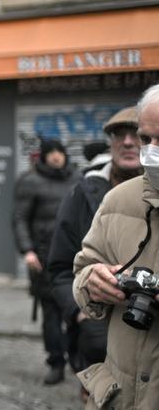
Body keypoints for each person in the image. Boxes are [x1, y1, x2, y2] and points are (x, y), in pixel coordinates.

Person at [73, 84, 159, 410]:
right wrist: (91, 283)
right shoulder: (118, 200)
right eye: (146, 137)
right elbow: (82, 268)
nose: (151, 150)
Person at [48, 107, 142, 376]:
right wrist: (79, 312)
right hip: (97, 339)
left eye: (137, 134)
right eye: (118, 134)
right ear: (110, 142)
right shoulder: (82, 193)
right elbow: (60, 267)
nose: (127, 141)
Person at [13, 138, 79, 384]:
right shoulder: (29, 181)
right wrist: (27, 250)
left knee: (76, 310)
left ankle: (77, 359)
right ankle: (56, 362)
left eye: (59, 152)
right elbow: (19, 218)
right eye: (50, 152)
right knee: (51, 314)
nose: (55, 157)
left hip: (75, 257)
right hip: (44, 259)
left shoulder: (77, 178)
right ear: (43, 156)